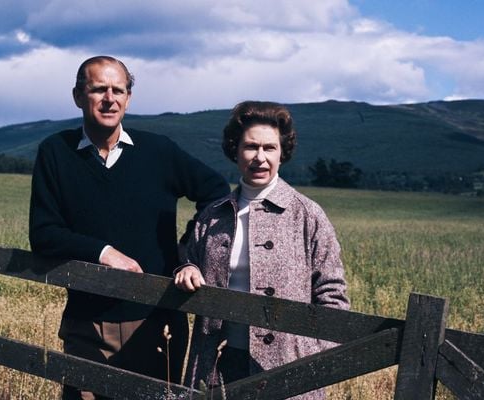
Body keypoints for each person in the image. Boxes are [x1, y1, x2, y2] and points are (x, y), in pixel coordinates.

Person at [29, 55, 230, 399]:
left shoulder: (159, 152)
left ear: (128, 98)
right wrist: (104, 253)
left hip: (155, 321)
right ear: (78, 96)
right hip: (86, 320)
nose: (109, 99)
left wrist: (187, 251)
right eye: (98, 90)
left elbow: (217, 194)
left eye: (118, 90)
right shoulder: (55, 152)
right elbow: (43, 233)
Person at [174, 101, 349, 399]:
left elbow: (333, 297)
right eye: (250, 147)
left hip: (288, 370)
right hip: (216, 367)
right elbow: (188, 260)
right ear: (235, 150)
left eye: (269, 148)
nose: (259, 158)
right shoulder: (213, 215)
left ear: (283, 153)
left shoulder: (307, 215)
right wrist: (186, 268)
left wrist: (311, 363)